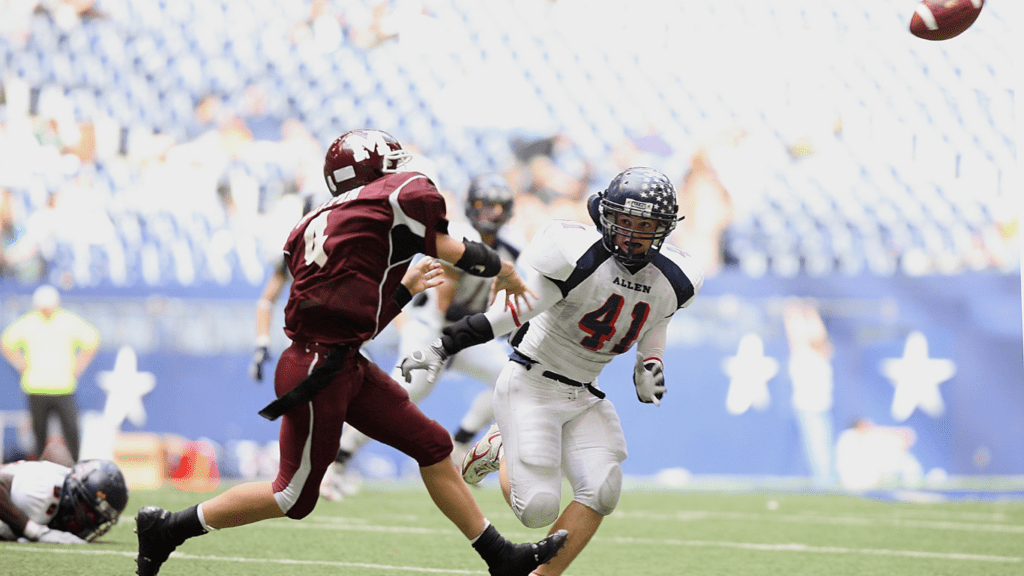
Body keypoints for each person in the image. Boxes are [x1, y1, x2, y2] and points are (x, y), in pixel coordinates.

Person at [134, 129, 566, 576]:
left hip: (340, 358)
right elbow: (454, 251)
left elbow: (358, 322)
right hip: (318, 367)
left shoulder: (319, 223)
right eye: (389, 164)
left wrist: (401, 290)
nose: (399, 171)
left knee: (434, 446)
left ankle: (500, 557)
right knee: (292, 498)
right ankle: (168, 528)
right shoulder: (389, 200)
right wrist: (505, 270)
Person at [400, 167, 704, 576]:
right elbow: (512, 312)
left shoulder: (675, 277)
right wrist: (442, 345)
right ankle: (502, 445)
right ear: (606, 217)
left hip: (584, 392)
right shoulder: (576, 254)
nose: (632, 234)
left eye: (645, 225)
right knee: (537, 510)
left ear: (663, 228)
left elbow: (656, 319)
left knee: (603, 489)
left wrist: (651, 361)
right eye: (625, 222)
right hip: (532, 381)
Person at [321, 173, 523, 500]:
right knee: (400, 397)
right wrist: (449, 344)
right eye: (485, 205)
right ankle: (335, 462)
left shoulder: (510, 248)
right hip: (430, 327)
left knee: (512, 379)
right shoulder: (460, 238)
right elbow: (443, 301)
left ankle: (460, 443)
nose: (493, 214)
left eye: (499, 207)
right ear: (470, 206)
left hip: (465, 333)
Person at [1, 284, 100, 463]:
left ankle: (75, 467)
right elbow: (6, 342)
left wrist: (79, 365)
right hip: (36, 386)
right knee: (39, 434)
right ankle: (42, 470)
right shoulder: (29, 322)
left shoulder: (67, 320)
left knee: (71, 431)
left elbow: (92, 340)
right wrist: (19, 362)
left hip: (63, 385)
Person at [0, 444, 128, 544]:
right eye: (92, 513)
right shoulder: (43, 489)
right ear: (76, 495)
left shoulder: (69, 479)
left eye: (101, 519)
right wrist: (34, 531)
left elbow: (54, 447)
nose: (94, 522)